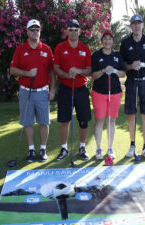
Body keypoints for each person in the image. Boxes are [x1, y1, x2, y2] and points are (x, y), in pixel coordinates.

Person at [10, 19, 56, 162]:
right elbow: (12, 70)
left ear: (39, 31)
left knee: (44, 122)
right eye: (32, 29)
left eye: (37, 29)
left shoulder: (47, 49)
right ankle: (31, 150)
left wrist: (53, 89)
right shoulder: (20, 49)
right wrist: (27, 73)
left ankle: (42, 149)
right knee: (28, 122)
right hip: (25, 91)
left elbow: (53, 72)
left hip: (43, 91)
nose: (35, 31)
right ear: (27, 32)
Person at [120, 14, 145, 161]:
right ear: (131, 26)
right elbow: (122, 65)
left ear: (143, 25)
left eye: (139, 23)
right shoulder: (125, 42)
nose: (137, 25)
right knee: (131, 115)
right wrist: (131, 66)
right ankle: (132, 145)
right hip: (131, 81)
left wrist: (143, 64)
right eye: (134, 23)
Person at [54, 19, 92, 161]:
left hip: (81, 89)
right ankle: (64, 148)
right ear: (67, 31)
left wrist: (78, 71)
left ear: (80, 32)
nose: (74, 32)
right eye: (71, 29)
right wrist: (66, 75)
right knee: (65, 120)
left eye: (76, 29)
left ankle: (82, 147)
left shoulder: (85, 48)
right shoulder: (60, 47)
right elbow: (56, 68)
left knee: (84, 121)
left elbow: (89, 70)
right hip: (65, 88)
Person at [91, 30, 125, 160]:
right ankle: (99, 149)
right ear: (102, 41)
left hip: (115, 92)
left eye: (109, 39)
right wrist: (104, 70)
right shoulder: (96, 55)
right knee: (100, 120)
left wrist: (114, 70)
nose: (107, 41)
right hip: (99, 92)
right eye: (105, 39)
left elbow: (123, 73)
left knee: (111, 120)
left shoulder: (117, 55)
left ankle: (110, 148)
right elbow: (93, 75)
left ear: (112, 41)